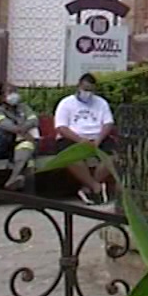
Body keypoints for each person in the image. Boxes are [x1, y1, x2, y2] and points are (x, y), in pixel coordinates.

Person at [54, 73, 119, 205]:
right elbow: (61, 127)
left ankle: (87, 188)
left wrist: (98, 140)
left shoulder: (101, 103)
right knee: (71, 158)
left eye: (90, 90)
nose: (87, 93)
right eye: (85, 89)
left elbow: (108, 123)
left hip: (97, 138)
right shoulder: (66, 103)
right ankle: (95, 186)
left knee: (114, 157)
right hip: (72, 138)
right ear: (78, 87)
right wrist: (81, 140)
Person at [0, 81, 40, 191]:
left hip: (26, 142)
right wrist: (25, 132)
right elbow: (5, 125)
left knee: (26, 146)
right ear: (2, 96)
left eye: (15, 91)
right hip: (9, 145)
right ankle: (30, 196)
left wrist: (22, 130)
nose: (14, 95)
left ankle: (13, 179)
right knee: (29, 159)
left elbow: (34, 120)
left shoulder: (23, 107)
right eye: (10, 92)